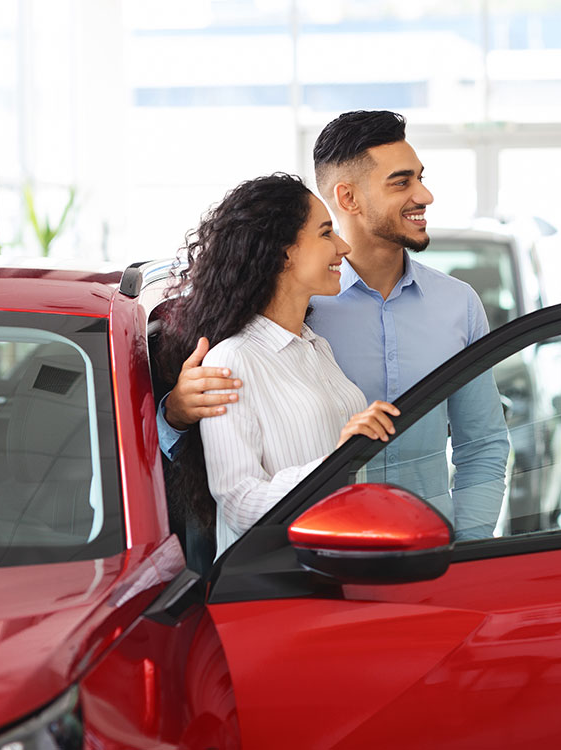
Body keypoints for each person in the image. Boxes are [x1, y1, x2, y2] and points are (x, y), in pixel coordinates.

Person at [160, 111, 509, 542]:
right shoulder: (298, 312)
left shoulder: (456, 305)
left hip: (425, 555)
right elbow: (234, 476)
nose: (425, 195)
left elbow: (482, 443)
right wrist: (176, 413)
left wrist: (467, 550)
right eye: (401, 182)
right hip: (315, 557)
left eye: (420, 178)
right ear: (348, 197)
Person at [158, 174, 400, 557]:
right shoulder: (232, 359)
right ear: (283, 253)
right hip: (279, 581)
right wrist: (335, 464)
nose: (344, 246)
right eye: (326, 233)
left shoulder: (316, 347)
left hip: (335, 565)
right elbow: (240, 504)